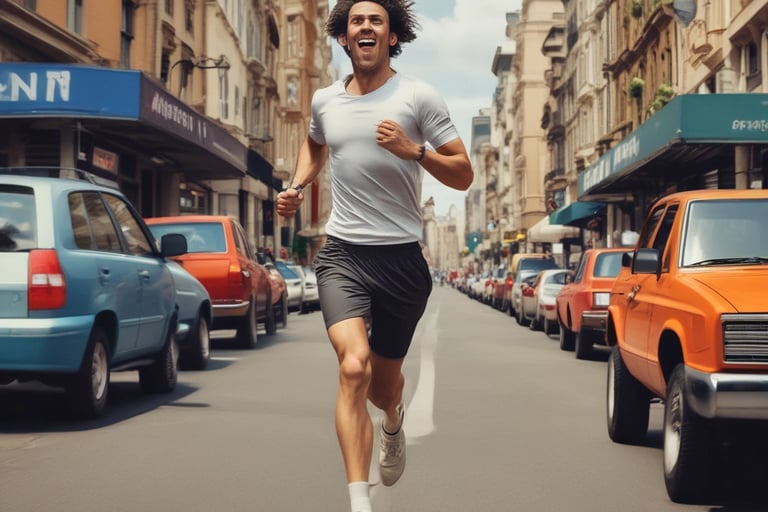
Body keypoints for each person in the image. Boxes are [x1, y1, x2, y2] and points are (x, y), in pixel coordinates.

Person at [276, 1, 472, 511]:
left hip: (403, 262)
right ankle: (358, 500)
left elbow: (463, 173)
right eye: (356, 21)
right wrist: (297, 185)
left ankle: (393, 421)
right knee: (353, 368)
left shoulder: (417, 96)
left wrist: (415, 151)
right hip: (343, 254)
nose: (366, 27)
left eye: (376, 21)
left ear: (391, 36)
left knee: (383, 390)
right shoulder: (324, 101)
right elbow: (316, 145)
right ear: (344, 37)